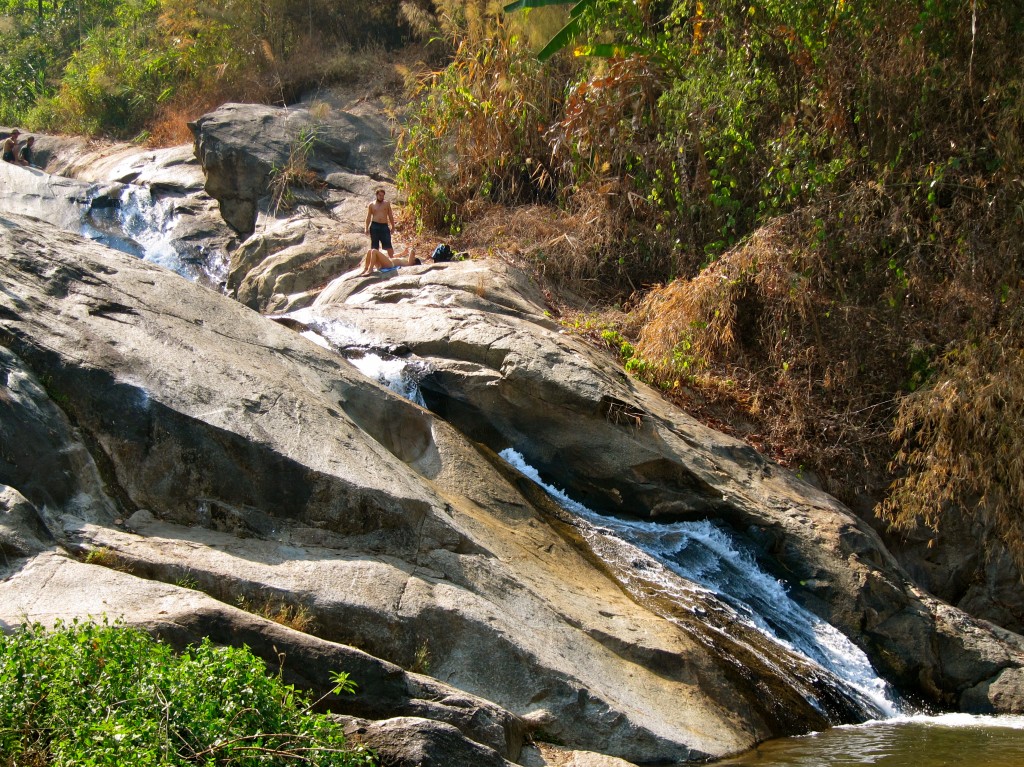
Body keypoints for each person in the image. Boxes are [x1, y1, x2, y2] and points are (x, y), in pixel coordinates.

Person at [364, 187, 396, 259]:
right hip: (375, 226)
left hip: (384, 226)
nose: (381, 197)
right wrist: (366, 228)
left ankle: (392, 260)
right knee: (375, 246)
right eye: (380, 195)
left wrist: (393, 226)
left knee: (388, 245)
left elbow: (390, 215)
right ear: (377, 195)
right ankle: (375, 263)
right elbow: (368, 217)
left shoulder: (387, 204)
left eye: (383, 195)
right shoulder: (371, 205)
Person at [357, 247, 426, 276]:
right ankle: (366, 269)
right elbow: (393, 256)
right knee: (370, 251)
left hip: (390, 264)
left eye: (413, 258)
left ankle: (370, 269)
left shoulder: (409, 264)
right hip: (384, 264)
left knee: (374, 251)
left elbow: (412, 251)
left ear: (414, 262)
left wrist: (412, 250)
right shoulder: (405, 261)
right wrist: (402, 253)